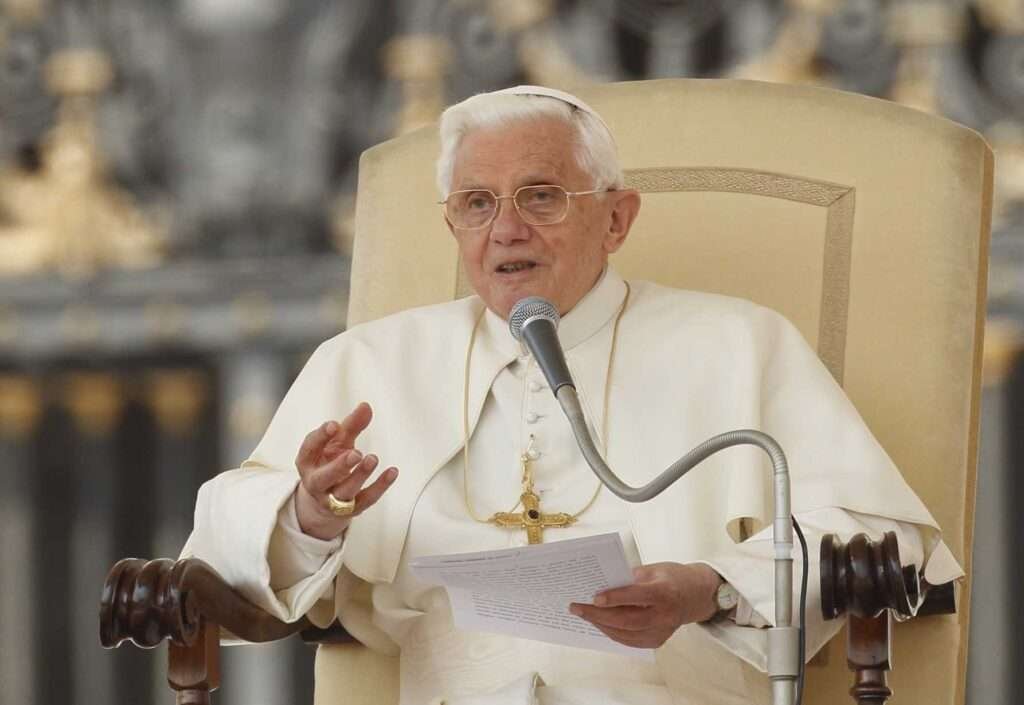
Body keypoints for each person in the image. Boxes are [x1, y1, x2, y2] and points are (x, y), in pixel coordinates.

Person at [183, 85, 961, 705]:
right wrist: (312, 517)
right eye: (476, 204)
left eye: (541, 196)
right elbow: (221, 557)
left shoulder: (740, 343)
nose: (506, 229)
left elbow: (885, 544)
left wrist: (712, 587)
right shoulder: (369, 362)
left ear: (616, 218)